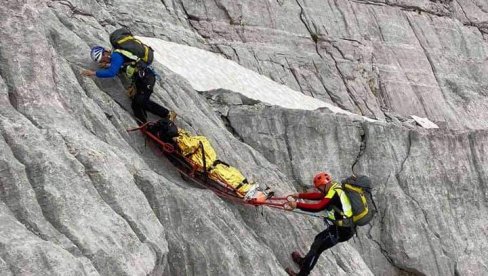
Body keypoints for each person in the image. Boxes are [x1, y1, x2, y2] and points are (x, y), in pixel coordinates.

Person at [283, 172, 355, 276]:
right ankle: (304, 262)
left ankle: (303, 274)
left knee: (317, 248)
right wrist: (299, 195)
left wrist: (297, 204)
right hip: (342, 226)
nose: (319, 190)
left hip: (343, 230)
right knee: (318, 240)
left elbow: (318, 207)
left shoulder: (333, 192)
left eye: (319, 187)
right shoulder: (334, 187)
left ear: (324, 185)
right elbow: (320, 196)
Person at [81, 45, 172, 124]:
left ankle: (167, 114)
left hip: (147, 78)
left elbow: (111, 73)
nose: (102, 61)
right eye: (100, 61)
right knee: (136, 103)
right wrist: (107, 65)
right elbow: (121, 67)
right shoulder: (116, 58)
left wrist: (93, 73)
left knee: (140, 101)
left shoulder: (116, 56)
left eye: (102, 59)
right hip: (141, 79)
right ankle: (145, 124)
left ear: (105, 53)